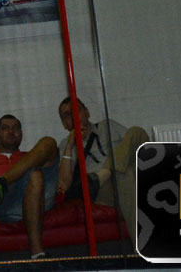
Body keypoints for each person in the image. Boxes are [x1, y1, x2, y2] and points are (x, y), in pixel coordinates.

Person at [54, 97, 149, 249]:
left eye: (76, 111)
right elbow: (63, 185)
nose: (72, 117)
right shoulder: (66, 145)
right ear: (65, 124)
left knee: (137, 132)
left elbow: (140, 147)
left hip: (123, 177)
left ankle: (106, 171)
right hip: (101, 190)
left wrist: (109, 168)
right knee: (126, 175)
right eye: (66, 116)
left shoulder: (108, 126)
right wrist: (70, 147)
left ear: (87, 112)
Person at [0, 114, 62, 259]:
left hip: (37, 197)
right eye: (5, 128)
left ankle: (2, 181)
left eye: (16, 128)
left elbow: (59, 187)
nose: (11, 132)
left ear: (21, 134)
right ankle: (38, 254)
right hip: (4, 205)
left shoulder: (31, 156)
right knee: (34, 175)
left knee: (48, 143)